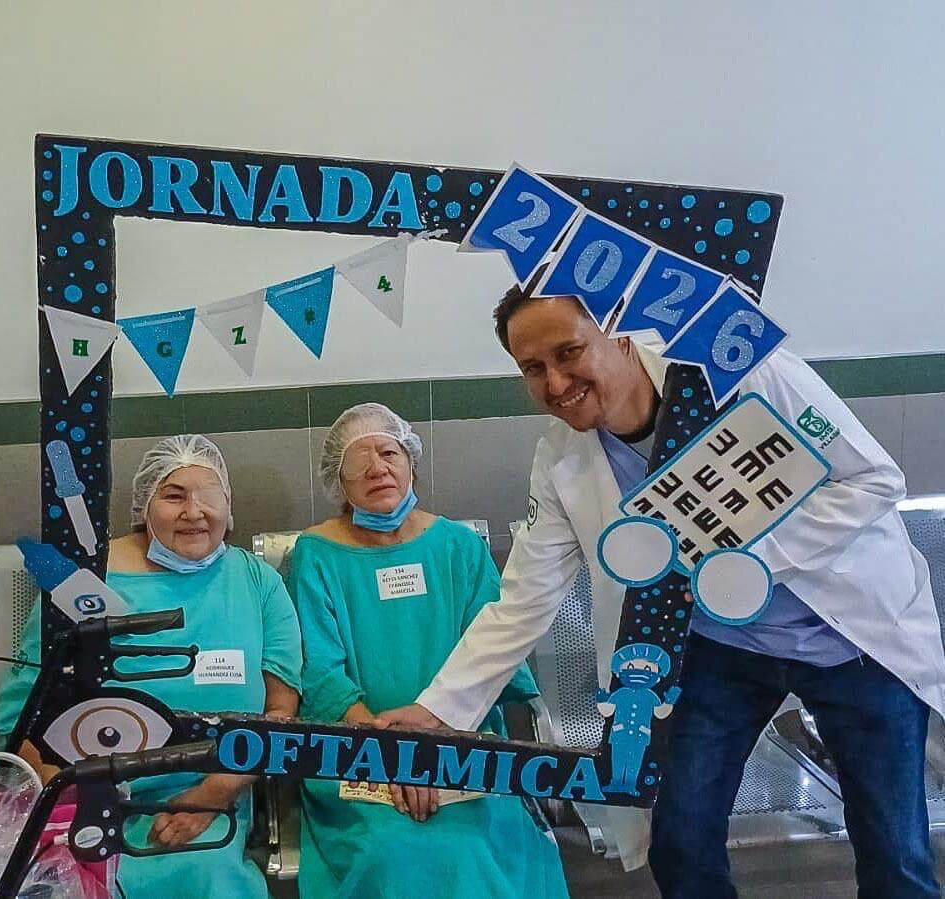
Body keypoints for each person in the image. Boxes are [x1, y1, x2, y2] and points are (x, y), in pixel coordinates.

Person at [380, 273, 945, 898]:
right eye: (533, 368)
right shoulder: (562, 459)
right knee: (679, 840)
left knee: (895, 854)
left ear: (619, 331)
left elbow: (872, 479)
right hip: (721, 651)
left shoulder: (743, 373)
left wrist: (748, 554)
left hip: (854, 642)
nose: (556, 385)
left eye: (569, 352)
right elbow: (524, 599)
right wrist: (439, 710)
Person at [0, 434, 303, 899]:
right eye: (174, 496)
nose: (194, 512)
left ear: (229, 505)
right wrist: (63, 798)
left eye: (209, 495)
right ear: (144, 507)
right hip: (86, 799)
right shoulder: (86, 582)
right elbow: (20, 713)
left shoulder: (256, 583)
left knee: (208, 878)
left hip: (210, 799)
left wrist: (214, 795)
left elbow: (280, 714)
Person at [289, 403, 570, 899]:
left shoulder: (459, 547)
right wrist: (390, 756)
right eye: (359, 460)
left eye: (389, 453)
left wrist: (434, 748)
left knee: (474, 846)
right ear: (339, 482)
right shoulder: (314, 557)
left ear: (411, 463)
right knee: (391, 850)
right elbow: (320, 676)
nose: (377, 468)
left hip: (463, 744)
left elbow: (498, 658)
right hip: (357, 753)